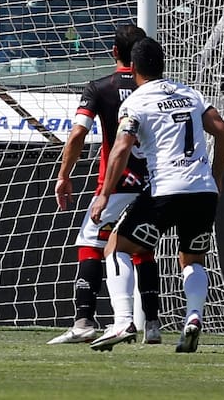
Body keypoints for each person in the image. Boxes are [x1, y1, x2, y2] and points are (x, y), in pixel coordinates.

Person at [88, 37, 224, 352]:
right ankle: (193, 317)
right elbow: (223, 131)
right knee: (192, 259)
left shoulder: (136, 102)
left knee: (115, 246)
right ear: (163, 65)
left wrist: (104, 194)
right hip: (203, 191)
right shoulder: (189, 93)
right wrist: (217, 176)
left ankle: (123, 321)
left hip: (165, 189)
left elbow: (121, 148)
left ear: (133, 67)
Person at [48, 25, 162, 345]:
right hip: (153, 184)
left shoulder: (100, 87)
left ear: (114, 52)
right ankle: (153, 324)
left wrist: (64, 175)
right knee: (141, 248)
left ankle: (84, 321)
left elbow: (78, 134)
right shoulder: (156, 91)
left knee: (90, 244)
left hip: (115, 184)